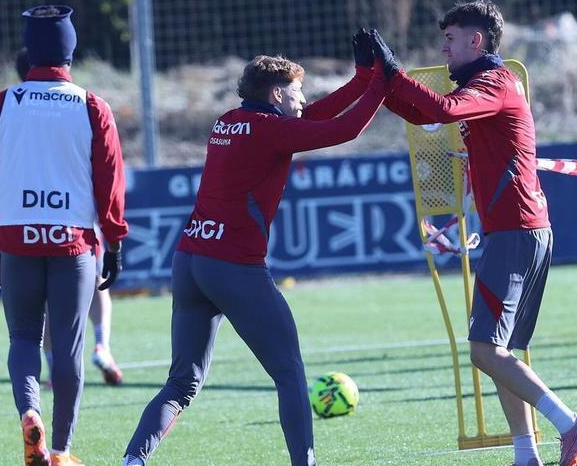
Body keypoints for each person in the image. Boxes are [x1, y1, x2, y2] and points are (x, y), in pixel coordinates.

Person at [120, 38, 389, 466]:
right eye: (297, 93)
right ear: (277, 94)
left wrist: (363, 79)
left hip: (189, 261)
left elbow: (313, 117)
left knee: (182, 383)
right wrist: (384, 84)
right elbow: (343, 129)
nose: (303, 101)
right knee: (288, 372)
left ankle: (133, 459)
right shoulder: (271, 129)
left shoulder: (229, 121)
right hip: (232, 267)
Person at [368, 0, 577, 466]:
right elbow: (423, 116)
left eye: (451, 40)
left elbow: (443, 109)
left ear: (477, 41)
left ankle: (570, 424)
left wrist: (393, 73)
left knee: (483, 350)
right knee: (500, 351)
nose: (444, 49)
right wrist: (379, 83)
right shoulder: (485, 83)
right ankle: (525, 455)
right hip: (519, 228)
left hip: (515, 229)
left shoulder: (494, 81)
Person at [0, 5, 127, 466]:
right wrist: (113, 241)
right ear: (71, 52)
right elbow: (110, 180)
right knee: (69, 344)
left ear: (29, 50)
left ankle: (29, 412)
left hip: (15, 238)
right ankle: (60, 450)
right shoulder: (92, 105)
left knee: (22, 339)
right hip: (73, 240)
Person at [16, 48, 125, 387]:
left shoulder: (11, 108)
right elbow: (107, 169)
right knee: (97, 285)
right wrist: (114, 234)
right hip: (78, 216)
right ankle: (102, 345)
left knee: (43, 301)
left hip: (27, 218)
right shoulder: (81, 105)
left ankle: (51, 369)